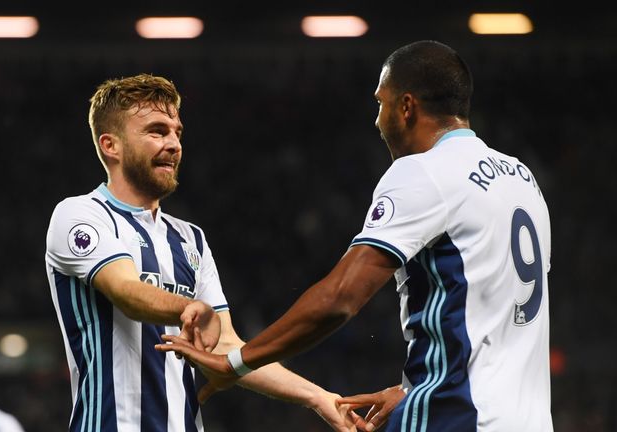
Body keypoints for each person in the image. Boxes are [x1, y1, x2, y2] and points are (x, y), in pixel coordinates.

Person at [156, 40, 553, 432]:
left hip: (459, 420)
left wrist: (237, 361)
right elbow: (497, 314)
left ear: (407, 107)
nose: (377, 120)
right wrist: (410, 389)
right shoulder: (522, 179)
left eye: (381, 104)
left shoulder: (425, 171)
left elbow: (340, 298)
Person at [44, 73, 352, 431]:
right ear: (111, 145)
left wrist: (317, 397)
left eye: (177, 132)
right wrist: (187, 307)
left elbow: (224, 345)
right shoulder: (80, 214)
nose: (174, 144)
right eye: (157, 131)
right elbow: (125, 290)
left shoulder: (190, 238)